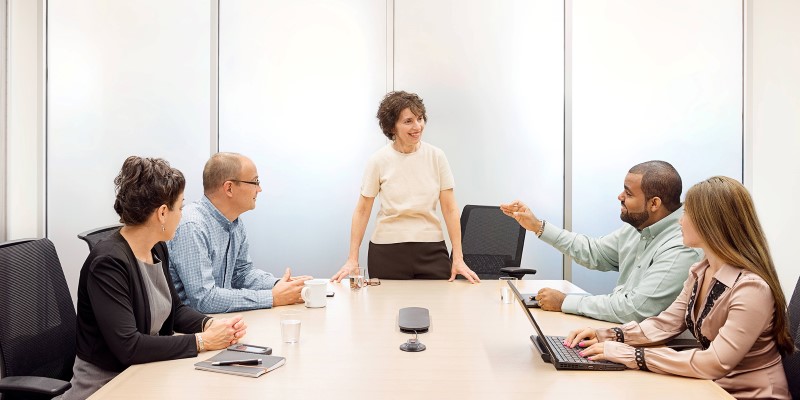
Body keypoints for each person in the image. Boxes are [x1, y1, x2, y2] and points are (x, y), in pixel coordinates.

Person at [565, 176, 793, 399]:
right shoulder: (700, 271)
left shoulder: (751, 289)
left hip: (748, 395)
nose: (679, 221)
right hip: (712, 389)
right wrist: (608, 335)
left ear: (710, 224)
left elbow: (714, 362)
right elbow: (666, 324)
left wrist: (632, 355)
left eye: (687, 214)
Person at [63, 156, 247, 400]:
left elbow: (176, 310)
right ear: (162, 213)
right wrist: (202, 342)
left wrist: (209, 325)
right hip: (107, 387)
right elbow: (129, 346)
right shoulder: (108, 263)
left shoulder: (157, 249)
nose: (182, 215)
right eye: (179, 207)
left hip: (146, 374)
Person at [500, 161, 702, 323]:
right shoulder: (641, 227)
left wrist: (565, 302)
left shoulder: (682, 245)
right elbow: (594, 251)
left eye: (628, 193)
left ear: (654, 203)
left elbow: (635, 309)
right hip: (621, 335)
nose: (620, 196)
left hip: (653, 348)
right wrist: (537, 226)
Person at [330, 91, 479, 283]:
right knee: (385, 312)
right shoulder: (378, 161)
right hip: (386, 251)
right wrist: (352, 259)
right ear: (392, 127)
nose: (417, 126)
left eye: (420, 118)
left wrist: (458, 257)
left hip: (431, 249)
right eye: (408, 121)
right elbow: (362, 210)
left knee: (440, 309)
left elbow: (450, 208)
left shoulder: (437, 156)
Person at [168, 152, 311, 313]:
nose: (260, 189)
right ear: (229, 188)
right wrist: (272, 297)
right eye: (255, 182)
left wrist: (281, 285)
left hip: (219, 321)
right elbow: (204, 299)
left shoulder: (235, 223)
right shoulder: (192, 225)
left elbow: (241, 274)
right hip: (188, 330)